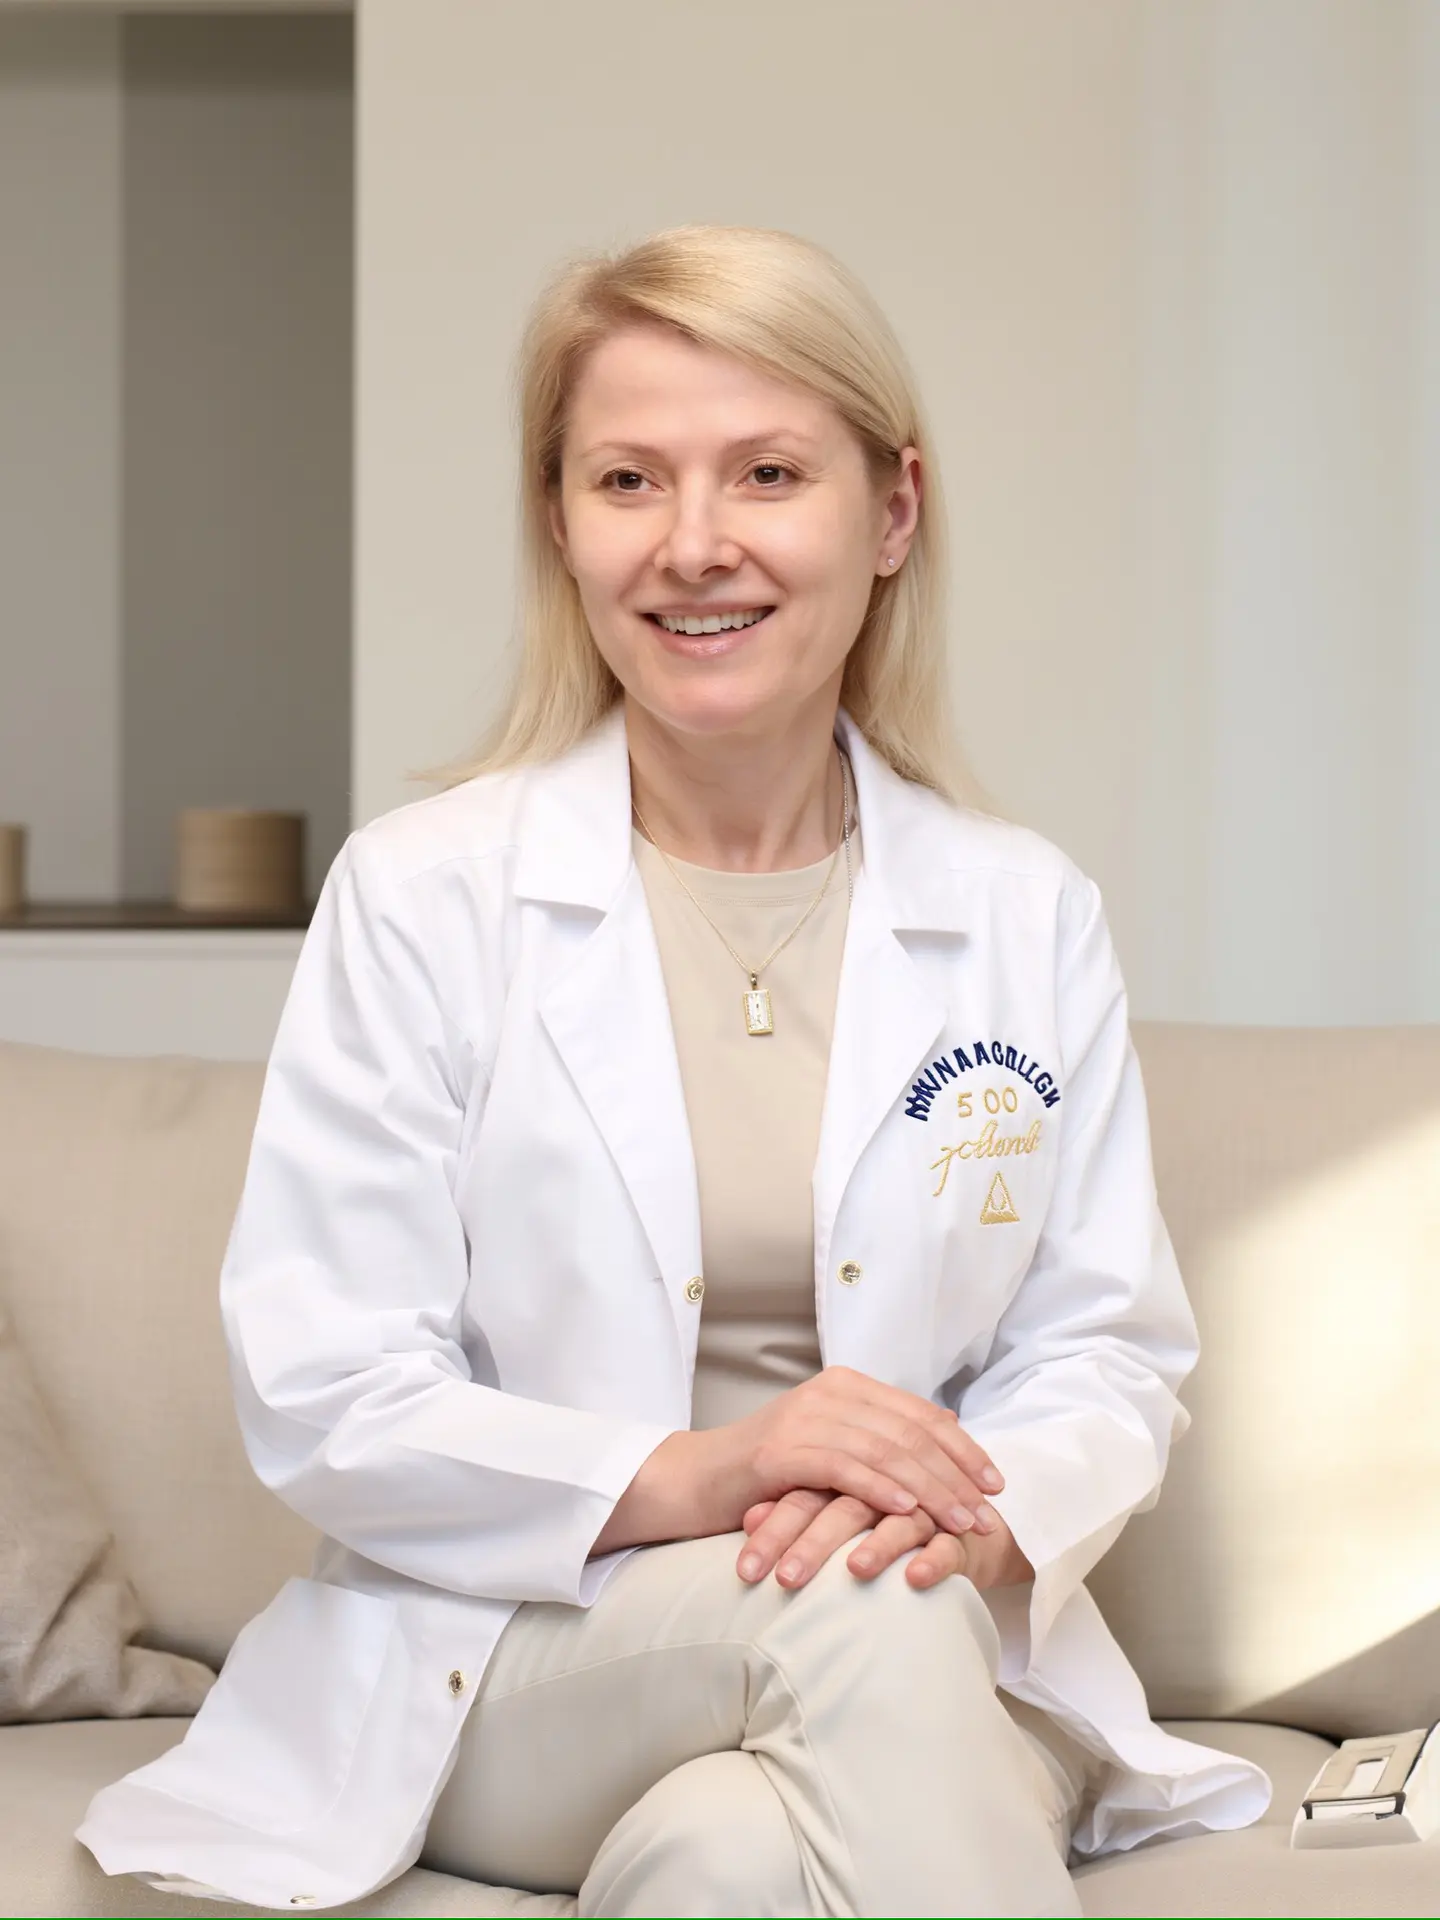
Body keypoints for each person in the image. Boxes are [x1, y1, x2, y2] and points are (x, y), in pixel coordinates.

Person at [76, 223, 1269, 1918]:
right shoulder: (424, 898)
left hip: (923, 1620)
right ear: (560, 524)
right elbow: (330, 1389)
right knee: (850, 1620)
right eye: (628, 479)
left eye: (768, 473)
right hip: (529, 1658)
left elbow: (1103, 1349)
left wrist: (968, 1525)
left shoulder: (1024, 911)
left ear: (893, 514)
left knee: (732, 1858)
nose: (694, 543)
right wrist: (716, 1473)